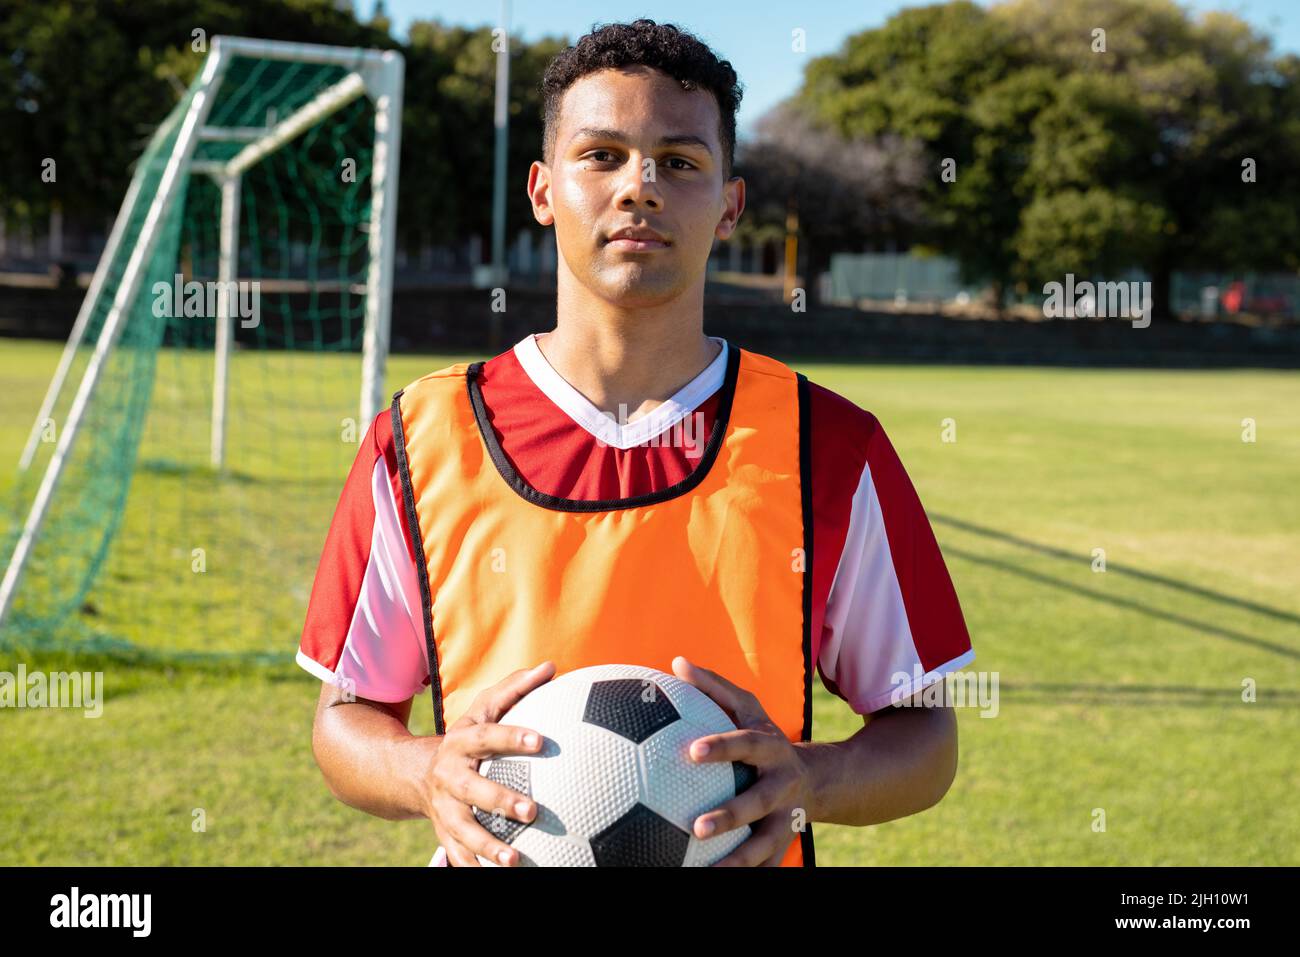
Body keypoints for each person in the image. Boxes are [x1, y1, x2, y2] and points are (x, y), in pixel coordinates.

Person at [297, 19, 973, 867]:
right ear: (543, 191)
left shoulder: (831, 445)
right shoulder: (420, 437)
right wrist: (422, 767)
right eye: (602, 155)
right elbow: (344, 719)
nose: (639, 188)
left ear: (730, 205)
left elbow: (925, 736)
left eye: (680, 162)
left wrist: (811, 777)